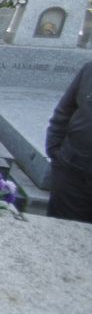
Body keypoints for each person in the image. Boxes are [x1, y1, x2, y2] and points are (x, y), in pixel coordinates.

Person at [46, 61, 92, 223]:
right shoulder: (90, 69)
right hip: (72, 173)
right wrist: (55, 150)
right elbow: (65, 110)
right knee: (58, 231)